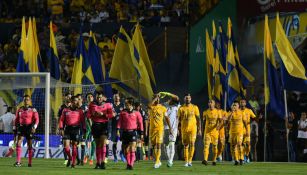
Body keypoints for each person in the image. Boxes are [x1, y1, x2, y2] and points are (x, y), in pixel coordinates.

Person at [87, 92, 113, 169]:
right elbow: (88, 115)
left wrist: (103, 114)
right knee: (98, 145)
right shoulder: (92, 105)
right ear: (96, 97)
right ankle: (98, 163)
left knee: (103, 144)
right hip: (95, 125)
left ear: (103, 97)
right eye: (98, 97)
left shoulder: (107, 105)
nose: (99, 99)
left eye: (100, 97)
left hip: (104, 125)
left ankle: (103, 162)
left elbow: (112, 115)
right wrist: (94, 114)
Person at [59, 96, 85, 168]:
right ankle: (70, 158)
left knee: (74, 146)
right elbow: (61, 120)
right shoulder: (65, 110)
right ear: (71, 101)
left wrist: (84, 130)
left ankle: (73, 162)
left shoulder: (80, 111)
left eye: (76, 101)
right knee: (66, 146)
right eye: (74, 101)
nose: (75, 102)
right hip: (67, 129)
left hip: (76, 129)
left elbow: (83, 121)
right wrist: (61, 128)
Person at [117, 97, 143, 170]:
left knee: (132, 149)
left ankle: (131, 165)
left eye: (127, 104)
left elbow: (140, 123)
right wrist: (118, 129)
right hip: (125, 133)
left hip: (133, 132)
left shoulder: (137, 113)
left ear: (131, 104)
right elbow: (119, 122)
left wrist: (141, 133)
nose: (125, 105)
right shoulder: (123, 112)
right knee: (126, 150)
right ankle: (128, 164)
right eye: (125, 104)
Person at [13, 95, 39, 167]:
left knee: (29, 145)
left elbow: (37, 119)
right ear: (23, 101)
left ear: (30, 101)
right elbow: (16, 119)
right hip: (21, 128)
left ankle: (30, 162)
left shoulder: (33, 110)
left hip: (29, 128)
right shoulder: (20, 109)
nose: (26, 101)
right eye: (25, 100)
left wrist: (34, 127)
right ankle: (18, 162)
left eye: (27, 100)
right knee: (18, 143)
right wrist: (14, 127)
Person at [148, 93, 172, 168]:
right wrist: (155, 98)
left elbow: (167, 118)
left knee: (158, 144)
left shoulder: (162, 108)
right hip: (152, 129)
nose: (158, 99)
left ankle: (157, 161)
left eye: (158, 98)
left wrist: (170, 128)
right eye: (156, 98)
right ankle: (158, 161)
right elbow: (148, 106)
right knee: (154, 145)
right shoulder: (151, 107)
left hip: (160, 129)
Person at [177, 93, 201, 167]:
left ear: (191, 99)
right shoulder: (181, 108)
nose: (188, 99)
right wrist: (177, 129)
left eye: (189, 98)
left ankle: (190, 161)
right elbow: (178, 120)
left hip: (193, 129)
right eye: (186, 98)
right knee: (185, 145)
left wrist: (199, 129)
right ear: (184, 99)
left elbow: (198, 119)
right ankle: (186, 161)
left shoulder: (195, 107)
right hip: (184, 129)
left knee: (192, 143)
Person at [160, 92, 180, 167]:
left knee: (172, 144)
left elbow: (177, 97)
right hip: (164, 127)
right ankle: (169, 159)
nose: (170, 99)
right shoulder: (164, 105)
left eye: (171, 99)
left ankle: (170, 160)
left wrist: (167, 93)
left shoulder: (177, 106)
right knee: (166, 145)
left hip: (173, 128)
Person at [202, 99, 222, 166]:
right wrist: (202, 131)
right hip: (207, 132)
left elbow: (221, 121)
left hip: (215, 132)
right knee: (206, 146)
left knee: (215, 147)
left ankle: (214, 160)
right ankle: (205, 160)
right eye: (209, 102)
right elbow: (204, 122)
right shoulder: (205, 112)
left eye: (211, 102)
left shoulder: (218, 112)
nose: (210, 103)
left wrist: (218, 126)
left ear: (214, 104)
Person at [227, 101, 247, 165]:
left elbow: (244, 122)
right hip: (232, 132)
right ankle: (236, 160)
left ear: (238, 106)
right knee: (233, 146)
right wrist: (232, 113)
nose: (234, 106)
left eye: (235, 105)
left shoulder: (241, 113)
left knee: (239, 144)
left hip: (239, 132)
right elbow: (228, 121)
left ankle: (241, 158)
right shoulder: (230, 113)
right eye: (233, 105)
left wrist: (246, 130)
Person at [240, 98, 257, 163]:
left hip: (247, 130)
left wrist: (258, 118)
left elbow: (254, 118)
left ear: (245, 103)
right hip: (240, 130)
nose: (242, 103)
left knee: (248, 144)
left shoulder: (249, 111)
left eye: (243, 102)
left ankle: (246, 155)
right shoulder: (238, 111)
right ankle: (242, 157)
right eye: (241, 102)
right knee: (241, 145)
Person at [58, 92, 72, 165]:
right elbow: (59, 119)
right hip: (64, 128)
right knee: (65, 144)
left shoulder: (73, 106)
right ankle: (66, 158)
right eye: (67, 97)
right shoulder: (61, 107)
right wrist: (59, 128)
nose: (69, 98)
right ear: (65, 98)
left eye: (70, 97)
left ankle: (76, 159)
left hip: (73, 128)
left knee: (74, 144)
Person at [111, 93, 125, 163]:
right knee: (114, 143)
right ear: (113, 98)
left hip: (122, 127)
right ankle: (115, 157)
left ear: (119, 98)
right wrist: (111, 115)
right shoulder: (111, 106)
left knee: (124, 142)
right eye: (115, 97)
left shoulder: (122, 105)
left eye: (117, 96)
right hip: (114, 127)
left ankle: (121, 154)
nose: (116, 98)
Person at [84, 93, 95, 165]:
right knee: (85, 141)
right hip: (86, 126)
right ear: (86, 98)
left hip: (95, 126)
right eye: (88, 97)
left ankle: (91, 158)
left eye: (91, 96)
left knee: (93, 142)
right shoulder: (84, 106)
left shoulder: (95, 105)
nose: (90, 97)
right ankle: (86, 155)